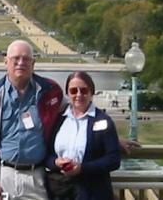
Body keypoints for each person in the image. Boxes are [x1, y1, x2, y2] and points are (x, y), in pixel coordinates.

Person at [0, 40, 65, 200]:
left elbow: (77, 115)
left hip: (36, 178)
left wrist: (105, 136)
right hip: (2, 177)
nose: (21, 63)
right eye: (16, 58)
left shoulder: (51, 92)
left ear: (33, 63)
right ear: (6, 61)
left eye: (26, 59)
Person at [45, 71, 121, 200]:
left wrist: (82, 168)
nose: (79, 95)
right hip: (61, 192)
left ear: (92, 93)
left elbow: (113, 159)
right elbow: (46, 154)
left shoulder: (103, 121)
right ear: (67, 94)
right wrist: (56, 162)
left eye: (84, 90)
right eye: (73, 91)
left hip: (92, 192)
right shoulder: (58, 120)